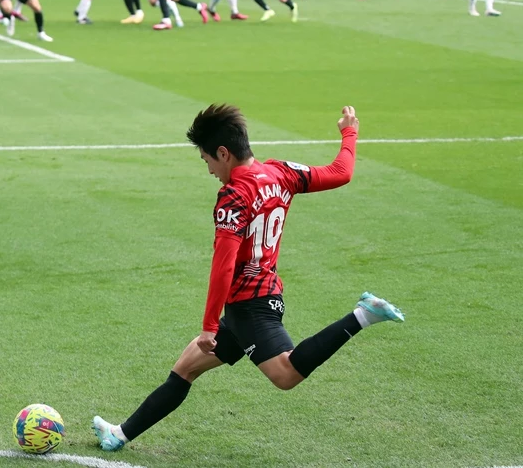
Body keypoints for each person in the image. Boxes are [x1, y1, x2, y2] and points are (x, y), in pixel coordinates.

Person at [93, 104, 405, 452]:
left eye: (207, 160)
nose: (210, 170)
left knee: (285, 375)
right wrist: (349, 133)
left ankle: (363, 315)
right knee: (186, 368)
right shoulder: (281, 173)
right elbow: (340, 172)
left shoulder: (234, 195)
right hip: (260, 298)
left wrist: (209, 326)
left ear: (223, 153)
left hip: (249, 306)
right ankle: (118, 434)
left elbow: (223, 265)